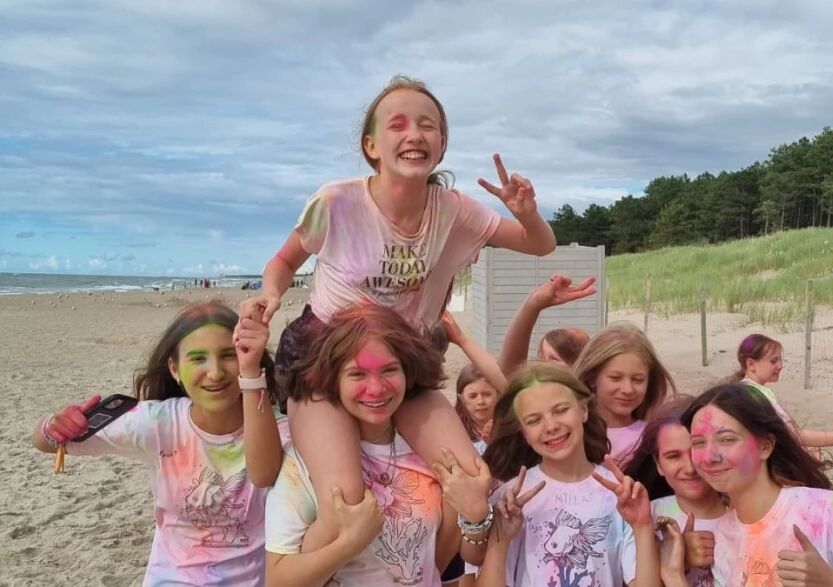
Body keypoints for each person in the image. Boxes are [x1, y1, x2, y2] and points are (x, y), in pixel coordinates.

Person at [240, 75, 557, 550]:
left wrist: (526, 212)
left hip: (403, 360)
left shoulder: (455, 211)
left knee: (471, 480)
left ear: (442, 144)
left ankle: (433, 575)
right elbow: (285, 261)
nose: (414, 135)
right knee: (345, 502)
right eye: (398, 125)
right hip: (323, 356)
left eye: (428, 126)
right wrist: (269, 294)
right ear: (371, 146)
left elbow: (539, 244)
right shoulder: (336, 202)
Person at [31, 303, 289, 585]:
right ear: (175, 369)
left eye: (229, 355)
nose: (215, 372)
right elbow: (46, 442)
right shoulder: (158, 422)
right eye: (198, 358)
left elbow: (267, 473)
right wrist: (54, 427)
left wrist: (251, 376)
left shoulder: (279, 431)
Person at [264, 303, 493, 586]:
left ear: (407, 371)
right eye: (357, 374)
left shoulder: (430, 452)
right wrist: (348, 544)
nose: (376, 388)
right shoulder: (305, 463)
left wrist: (475, 515)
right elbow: (277, 579)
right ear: (333, 377)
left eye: (389, 370)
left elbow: (436, 563)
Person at [685, 383, 833, 586]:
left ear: (765, 447)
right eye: (698, 443)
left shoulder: (828, 512)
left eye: (727, 439)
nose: (710, 456)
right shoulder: (723, 536)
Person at [476, 362, 660, 586]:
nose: (551, 426)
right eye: (534, 420)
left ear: (583, 410)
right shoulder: (510, 500)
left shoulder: (621, 495)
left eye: (561, 410)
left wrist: (642, 527)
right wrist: (500, 540)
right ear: (524, 433)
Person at [624, 396, 727, 586]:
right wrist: (676, 559)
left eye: (696, 450)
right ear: (658, 465)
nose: (689, 467)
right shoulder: (644, 517)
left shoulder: (746, 514)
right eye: (673, 456)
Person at [573, 322, 676, 464]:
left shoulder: (653, 436)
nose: (628, 389)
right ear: (592, 378)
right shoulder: (572, 432)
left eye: (638, 380)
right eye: (615, 378)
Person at [735, 334, 833, 453]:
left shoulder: (739, 390)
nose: (780, 366)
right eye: (773, 361)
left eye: (780, 360)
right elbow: (793, 435)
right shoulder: (758, 395)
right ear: (751, 364)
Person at [498, 274, 597, 376]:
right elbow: (511, 371)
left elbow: (511, 371)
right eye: (541, 358)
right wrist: (533, 303)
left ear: (579, 366)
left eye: (553, 360)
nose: (542, 366)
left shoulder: (582, 385)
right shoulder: (536, 383)